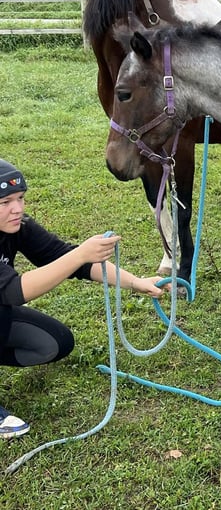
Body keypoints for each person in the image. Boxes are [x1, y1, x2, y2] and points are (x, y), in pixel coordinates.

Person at [0, 158, 166, 438]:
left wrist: (137, 283)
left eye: (20, 198)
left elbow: (69, 259)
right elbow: (14, 291)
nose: (17, 208)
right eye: (5, 202)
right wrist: (80, 254)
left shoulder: (19, 226)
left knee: (55, 344)